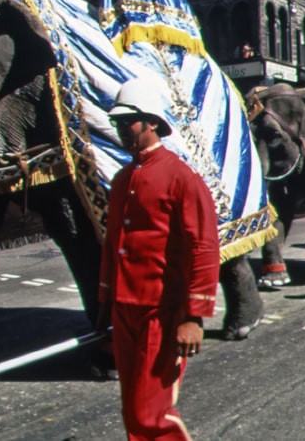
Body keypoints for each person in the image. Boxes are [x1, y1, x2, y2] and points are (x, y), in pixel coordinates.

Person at [98, 78, 220, 440]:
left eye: (129, 123)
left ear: (151, 122)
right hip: (125, 309)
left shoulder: (181, 177)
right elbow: (112, 244)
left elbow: (203, 246)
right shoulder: (122, 179)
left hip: (162, 311)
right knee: (132, 408)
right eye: (118, 123)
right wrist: (106, 303)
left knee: (151, 412)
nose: (122, 130)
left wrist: (193, 316)